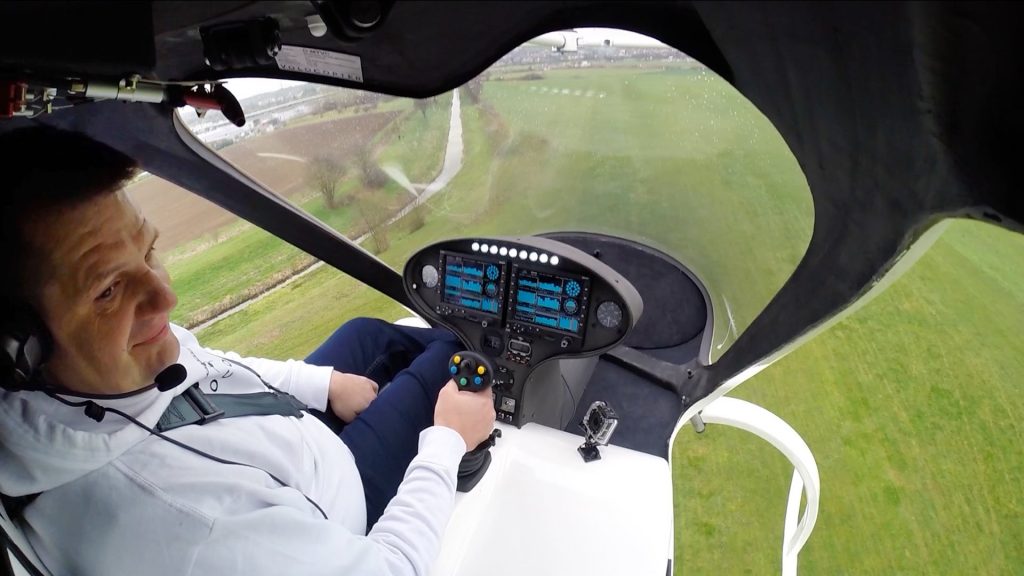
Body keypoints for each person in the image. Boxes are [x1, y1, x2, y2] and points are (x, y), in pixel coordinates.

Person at [0, 126, 495, 575]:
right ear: (21, 348)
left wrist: (322, 384)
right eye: (108, 290)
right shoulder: (195, 530)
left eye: (149, 251)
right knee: (444, 359)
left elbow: (209, 367)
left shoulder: (107, 377)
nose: (165, 298)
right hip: (338, 513)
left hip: (272, 443)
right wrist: (447, 443)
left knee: (366, 330)